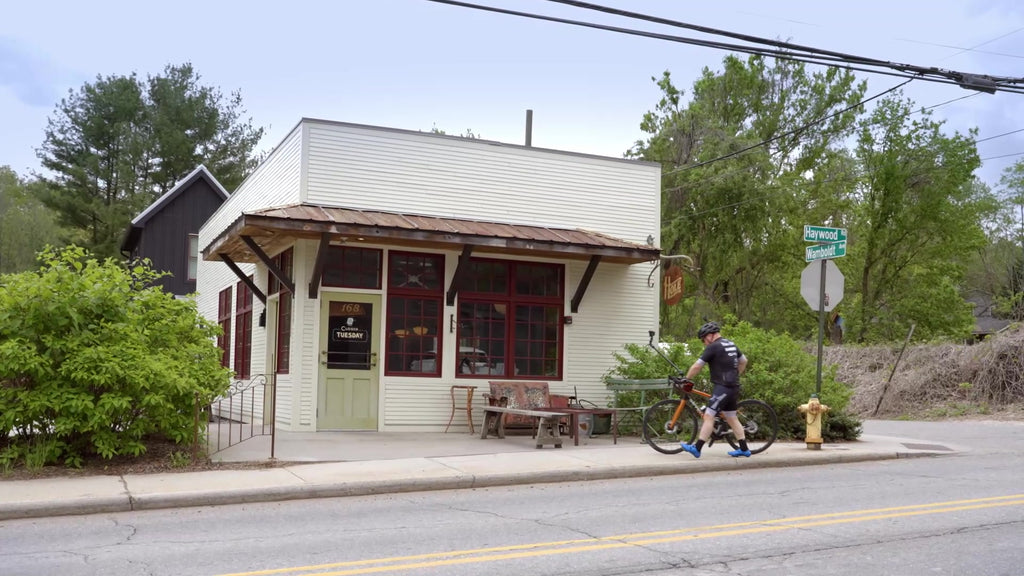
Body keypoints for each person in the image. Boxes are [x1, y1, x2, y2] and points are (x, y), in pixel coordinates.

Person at [680, 322, 752, 458]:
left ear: (710, 335)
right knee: (731, 417)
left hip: (723, 386)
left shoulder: (713, 347)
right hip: (733, 386)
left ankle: (697, 448)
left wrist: (686, 378)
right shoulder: (730, 343)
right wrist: (736, 374)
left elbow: (697, 366)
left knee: (709, 415)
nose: (704, 343)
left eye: (703, 339)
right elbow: (744, 361)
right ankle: (744, 449)